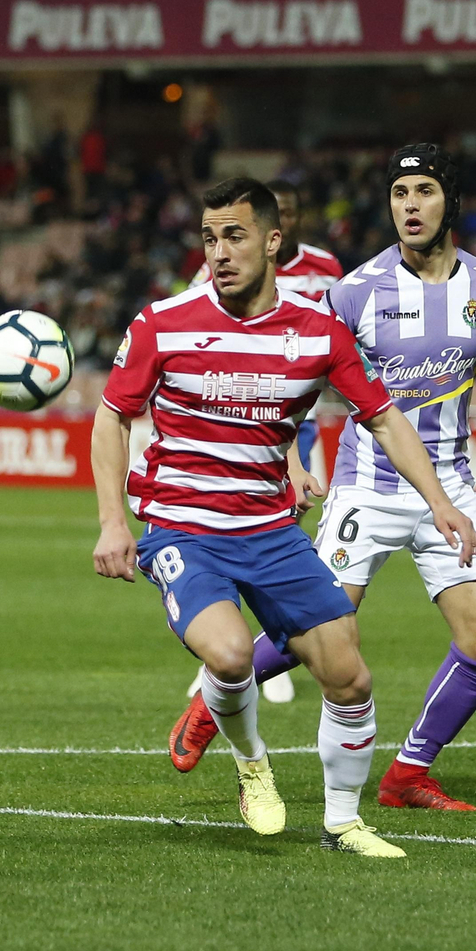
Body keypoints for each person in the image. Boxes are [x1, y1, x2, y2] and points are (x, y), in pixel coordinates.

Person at [95, 176, 476, 857]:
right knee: (231, 652)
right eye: (209, 238)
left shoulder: (317, 332)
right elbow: (111, 416)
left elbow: (385, 419)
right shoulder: (163, 323)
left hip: (272, 533)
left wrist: (441, 502)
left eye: (235, 236)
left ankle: (343, 823)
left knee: (349, 674)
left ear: (274, 241)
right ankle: (252, 762)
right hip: (184, 527)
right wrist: (112, 522)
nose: (219, 252)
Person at [167, 146, 476, 814]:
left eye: (424, 191)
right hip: (366, 486)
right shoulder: (355, 291)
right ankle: (212, 698)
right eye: (399, 192)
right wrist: (290, 459)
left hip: (452, 484)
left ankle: (408, 774)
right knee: (316, 628)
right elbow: (298, 382)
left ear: (450, 202)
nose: (409, 205)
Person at [185, 179, 345, 702]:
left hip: (302, 413)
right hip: (238, 415)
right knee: (237, 525)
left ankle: (252, 652)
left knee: (283, 524)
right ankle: (230, 654)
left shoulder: (326, 267)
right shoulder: (223, 274)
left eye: (296, 211)